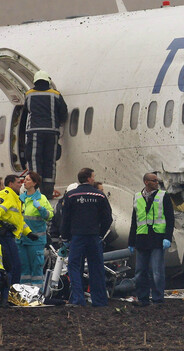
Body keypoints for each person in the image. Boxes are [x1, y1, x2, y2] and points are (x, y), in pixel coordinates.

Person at [60, 168, 113, 307]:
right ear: (89, 178)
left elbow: (65, 219)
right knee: (97, 268)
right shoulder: (100, 195)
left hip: (77, 237)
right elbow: (108, 218)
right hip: (94, 237)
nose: (94, 179)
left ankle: (78, 299)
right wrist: (100, 233)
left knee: (74, 267)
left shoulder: (70, 196)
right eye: (93, 177)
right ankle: (100, 301)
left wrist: (65, 238)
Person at [128, 172, 174, 307]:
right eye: (154, 180)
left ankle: (157, 299)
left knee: (157, 272)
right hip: (142, 239)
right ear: (146, 182)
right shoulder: (137, 197)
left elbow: (170, 219)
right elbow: (134, 221)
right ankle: (142, 298)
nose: (157, 182)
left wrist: (167, 237)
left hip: (157, 239)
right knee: (140, 271)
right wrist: (131, 241)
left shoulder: (163, 196)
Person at [23, 70, 68, 198]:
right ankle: (48, 191)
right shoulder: (56, 95)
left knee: (35, 160)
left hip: (35, 132)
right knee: (50, 160)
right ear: (48, 81)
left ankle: (36, 189)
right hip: (52, 132)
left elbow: (26, 110)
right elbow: (63, 113)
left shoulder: (29, 95)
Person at [0, 174, 34, 284]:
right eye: (18, 182)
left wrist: (29, 233)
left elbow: (18, 220)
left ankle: (11, 291)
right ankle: (11, 291)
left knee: (13, 264)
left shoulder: (15, 198)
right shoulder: (5, 194)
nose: (21, 184)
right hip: (2, 234)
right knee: (13, 265)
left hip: (8, 235)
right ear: (10, 184)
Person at [18, 171, 53, 287]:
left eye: (27, 180)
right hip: (22, 240)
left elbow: (50, 215)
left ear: (34, 183)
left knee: (36, 268)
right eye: (25, 179)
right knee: (24, 269)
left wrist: (41, 209)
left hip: (36, 241)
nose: (24, 182)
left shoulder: (41, 199)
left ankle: (37, 293)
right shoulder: (20, 198)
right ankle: (24, 294)